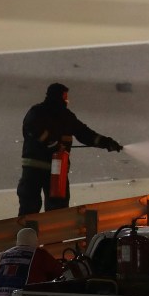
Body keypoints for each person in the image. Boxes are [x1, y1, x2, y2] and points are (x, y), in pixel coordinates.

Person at [17, 83, 123, 216]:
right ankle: (36, 234)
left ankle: (34, 234)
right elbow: (32, 126)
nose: (67, 100)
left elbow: (85, 134)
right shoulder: (39, 112)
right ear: (59, 96)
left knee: (48, 208)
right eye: (65, 96)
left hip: (54, 170)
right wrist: (52, 143)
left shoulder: (65, 116)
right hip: (40, 169)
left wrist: (107, 143)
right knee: (40, 207)